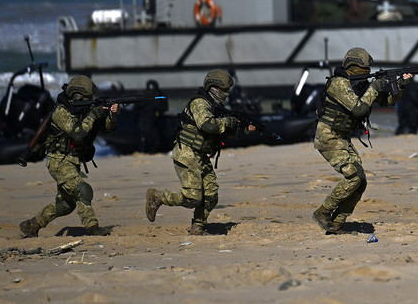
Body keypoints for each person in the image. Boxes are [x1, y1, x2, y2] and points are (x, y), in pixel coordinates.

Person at [311, 48, 413, 234]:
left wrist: (401, 84)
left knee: (361, 181)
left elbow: (388, 101)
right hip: (328, 135)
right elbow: (358, 109)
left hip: (341, 137)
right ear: (352, 66)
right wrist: (374, 88)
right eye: (363, 68)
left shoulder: (360, 84)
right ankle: (323, 212)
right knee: (353, 177)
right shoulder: (339, 83)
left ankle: (338, 222)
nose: (366, 72)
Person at [145, 70, 254, 235]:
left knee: (211, 194)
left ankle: (198, 227)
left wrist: (243, 129)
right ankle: (158, 197)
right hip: (187, 153)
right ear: (213, 88)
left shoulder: (215, 107)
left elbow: (220, 131)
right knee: (192, 197)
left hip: (201, 155)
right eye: (223, 90)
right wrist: (229, 121)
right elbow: (207, 125)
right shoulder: (200, 103)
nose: (226, 94)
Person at [19, 75, 118, 238]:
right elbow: (77, 133)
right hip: (58, 161)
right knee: (83, 190)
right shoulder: (60, 111)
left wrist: (111, 115)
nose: (89, 100)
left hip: (73, 161)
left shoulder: (84, 110)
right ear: (77, 96)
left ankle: (32, 225)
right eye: (87, 98)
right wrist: (93, 114)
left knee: (65, 205)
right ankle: (92, 227)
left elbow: (107, 129)